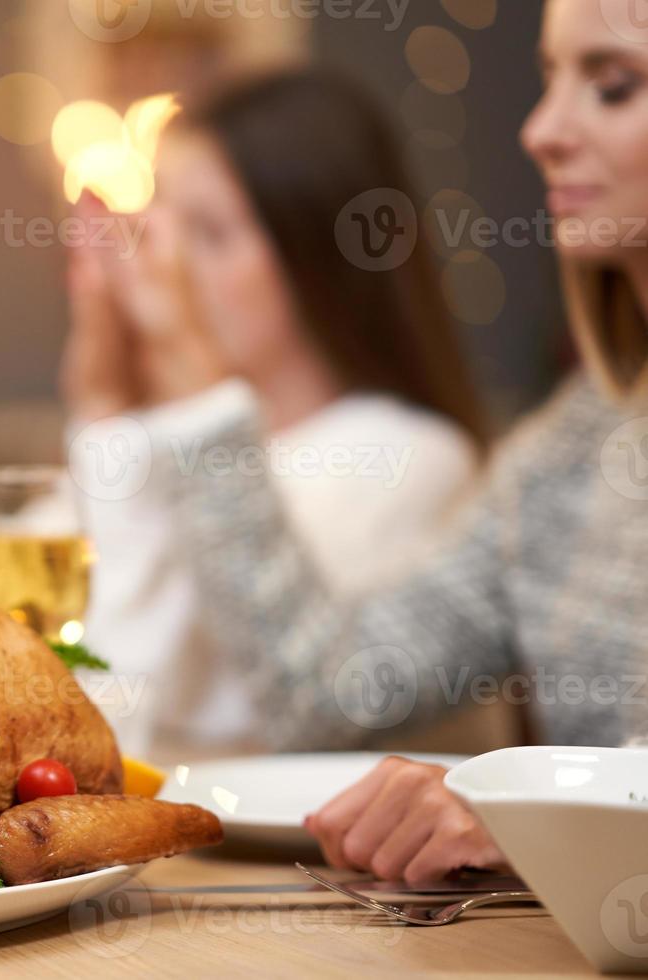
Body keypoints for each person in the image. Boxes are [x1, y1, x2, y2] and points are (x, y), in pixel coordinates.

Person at [79, 0, 648, 882]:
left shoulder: (408, 455)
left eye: (614, 87)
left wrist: (539, 813)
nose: (540, 130)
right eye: (547, 80)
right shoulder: (567, 452)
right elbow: (326, 695)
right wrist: (121, 395)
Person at [64, 70, 490, 754]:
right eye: (161, 224)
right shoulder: (175, 438)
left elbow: (163, 715)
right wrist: (107, 406)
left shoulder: (406, 457)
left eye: (209, 231)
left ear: (313, 255)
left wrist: (164, 389)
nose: (165, 265)